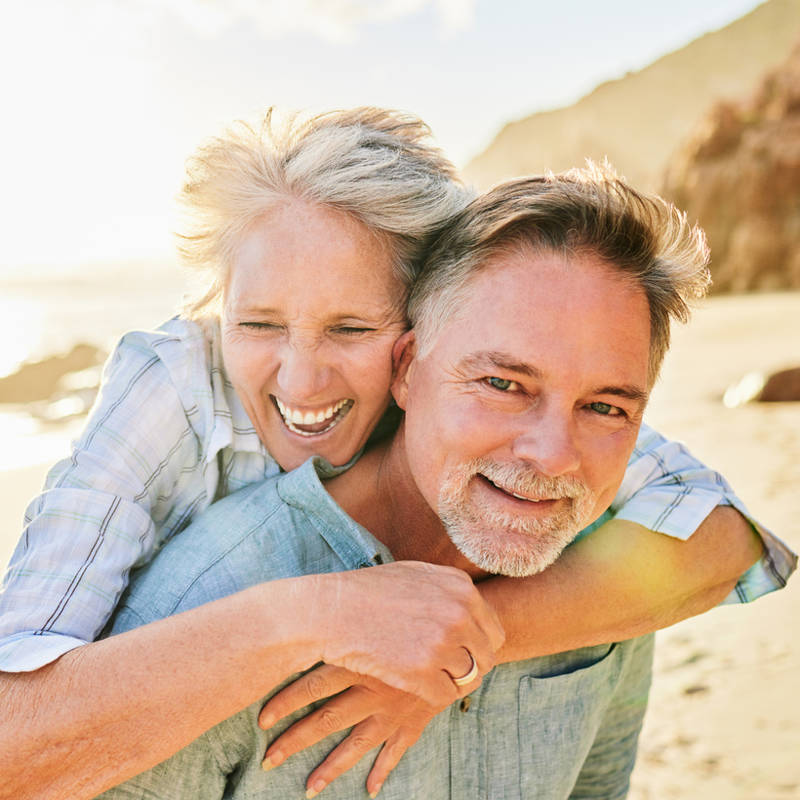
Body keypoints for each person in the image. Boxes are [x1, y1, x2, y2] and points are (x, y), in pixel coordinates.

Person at [0, 110, 781, 800]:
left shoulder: (572, 492)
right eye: (260, 323)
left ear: (411, 343)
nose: (302, 377)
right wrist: (307, 616)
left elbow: (722, 537)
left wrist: (466, 645)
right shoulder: (174, 402)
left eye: (350, 328)